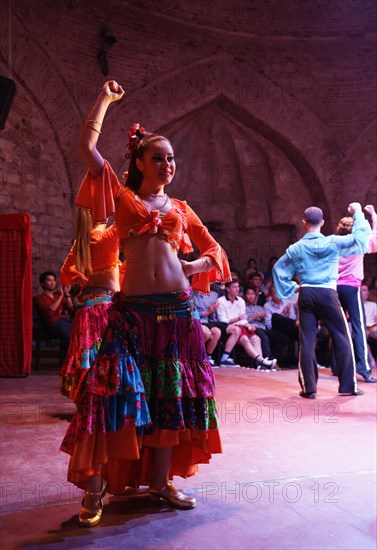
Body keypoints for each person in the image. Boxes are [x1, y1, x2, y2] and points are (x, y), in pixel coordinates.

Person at [60, 80, 231, 527]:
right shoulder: (123, 197)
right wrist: (104, 99)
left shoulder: (182, 208)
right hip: (132, 315)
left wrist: (191, 268)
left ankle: (160, 482)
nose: (168, 164)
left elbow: (213, 251)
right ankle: (95, 487)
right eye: (159, 157)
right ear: (139, 163)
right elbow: (86, 145)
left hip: (177, 314)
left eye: (172, 158)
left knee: (170, 397)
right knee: (110, 393)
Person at [273, 204, 371, 398]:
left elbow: (278, 270)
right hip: (327, 293)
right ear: (323, 223)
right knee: (342, 337)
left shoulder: (296, 247)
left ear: (304, 222)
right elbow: (361, 240)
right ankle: (347, 386)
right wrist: (358, 213)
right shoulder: (332, 242)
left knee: (307, 340)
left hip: (307, 293)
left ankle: (309, 389)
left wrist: (293, 288)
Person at [59, 207, 121, 401]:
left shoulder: (80, 243)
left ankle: (86, 399)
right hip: (105, 305)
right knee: (105, 353)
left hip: (86, 307)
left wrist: (82, 276)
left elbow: (65, 276)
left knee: (87, 353)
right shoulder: (107, 235)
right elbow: (130, 219)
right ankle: (101, 398)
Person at [335, 205, 377, 383]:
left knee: (338, 328)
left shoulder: (335, 244)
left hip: (335, 289)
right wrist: (374, 216)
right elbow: (374, 241)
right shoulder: (358, 243)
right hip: (352, 289)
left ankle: (337, 366)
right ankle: (363, 368)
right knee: (358, 328)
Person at [216, 280, 277, 369]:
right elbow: (222, 320)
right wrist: (237, 319)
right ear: (228, 289)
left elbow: (243, 319)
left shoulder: (240, 301)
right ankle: (263, 362)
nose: (237, 289)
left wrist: (249, 325)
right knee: (244, 339)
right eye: (234, 287)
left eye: (238, 287)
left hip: (241, 326)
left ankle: (260, 365)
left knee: (256, 338)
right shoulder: (221, 301)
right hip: (228, 328)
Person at [194, 286, 243, 367]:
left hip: (210, 321)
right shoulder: (191, 296)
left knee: (222, 331)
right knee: (207, 333)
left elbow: (212, 317)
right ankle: (198, 358)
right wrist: (206, 312)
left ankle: (215, 358)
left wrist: (212, 310)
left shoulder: (213, 295)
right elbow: (191, 314)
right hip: (197, 321)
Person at [35, 271, 73, 356]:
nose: (52, 283)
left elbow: (71, 308)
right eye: (49, 280)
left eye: (54, 280)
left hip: (65, 321)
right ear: (42, 284)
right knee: (70, 335)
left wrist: (66, 294)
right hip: (52, 325)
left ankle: (78, 359)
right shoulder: (40, 298)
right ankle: (68, 360)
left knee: (80, 330)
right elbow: (49, 313)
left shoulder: (57, 295)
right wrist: (60, 296)